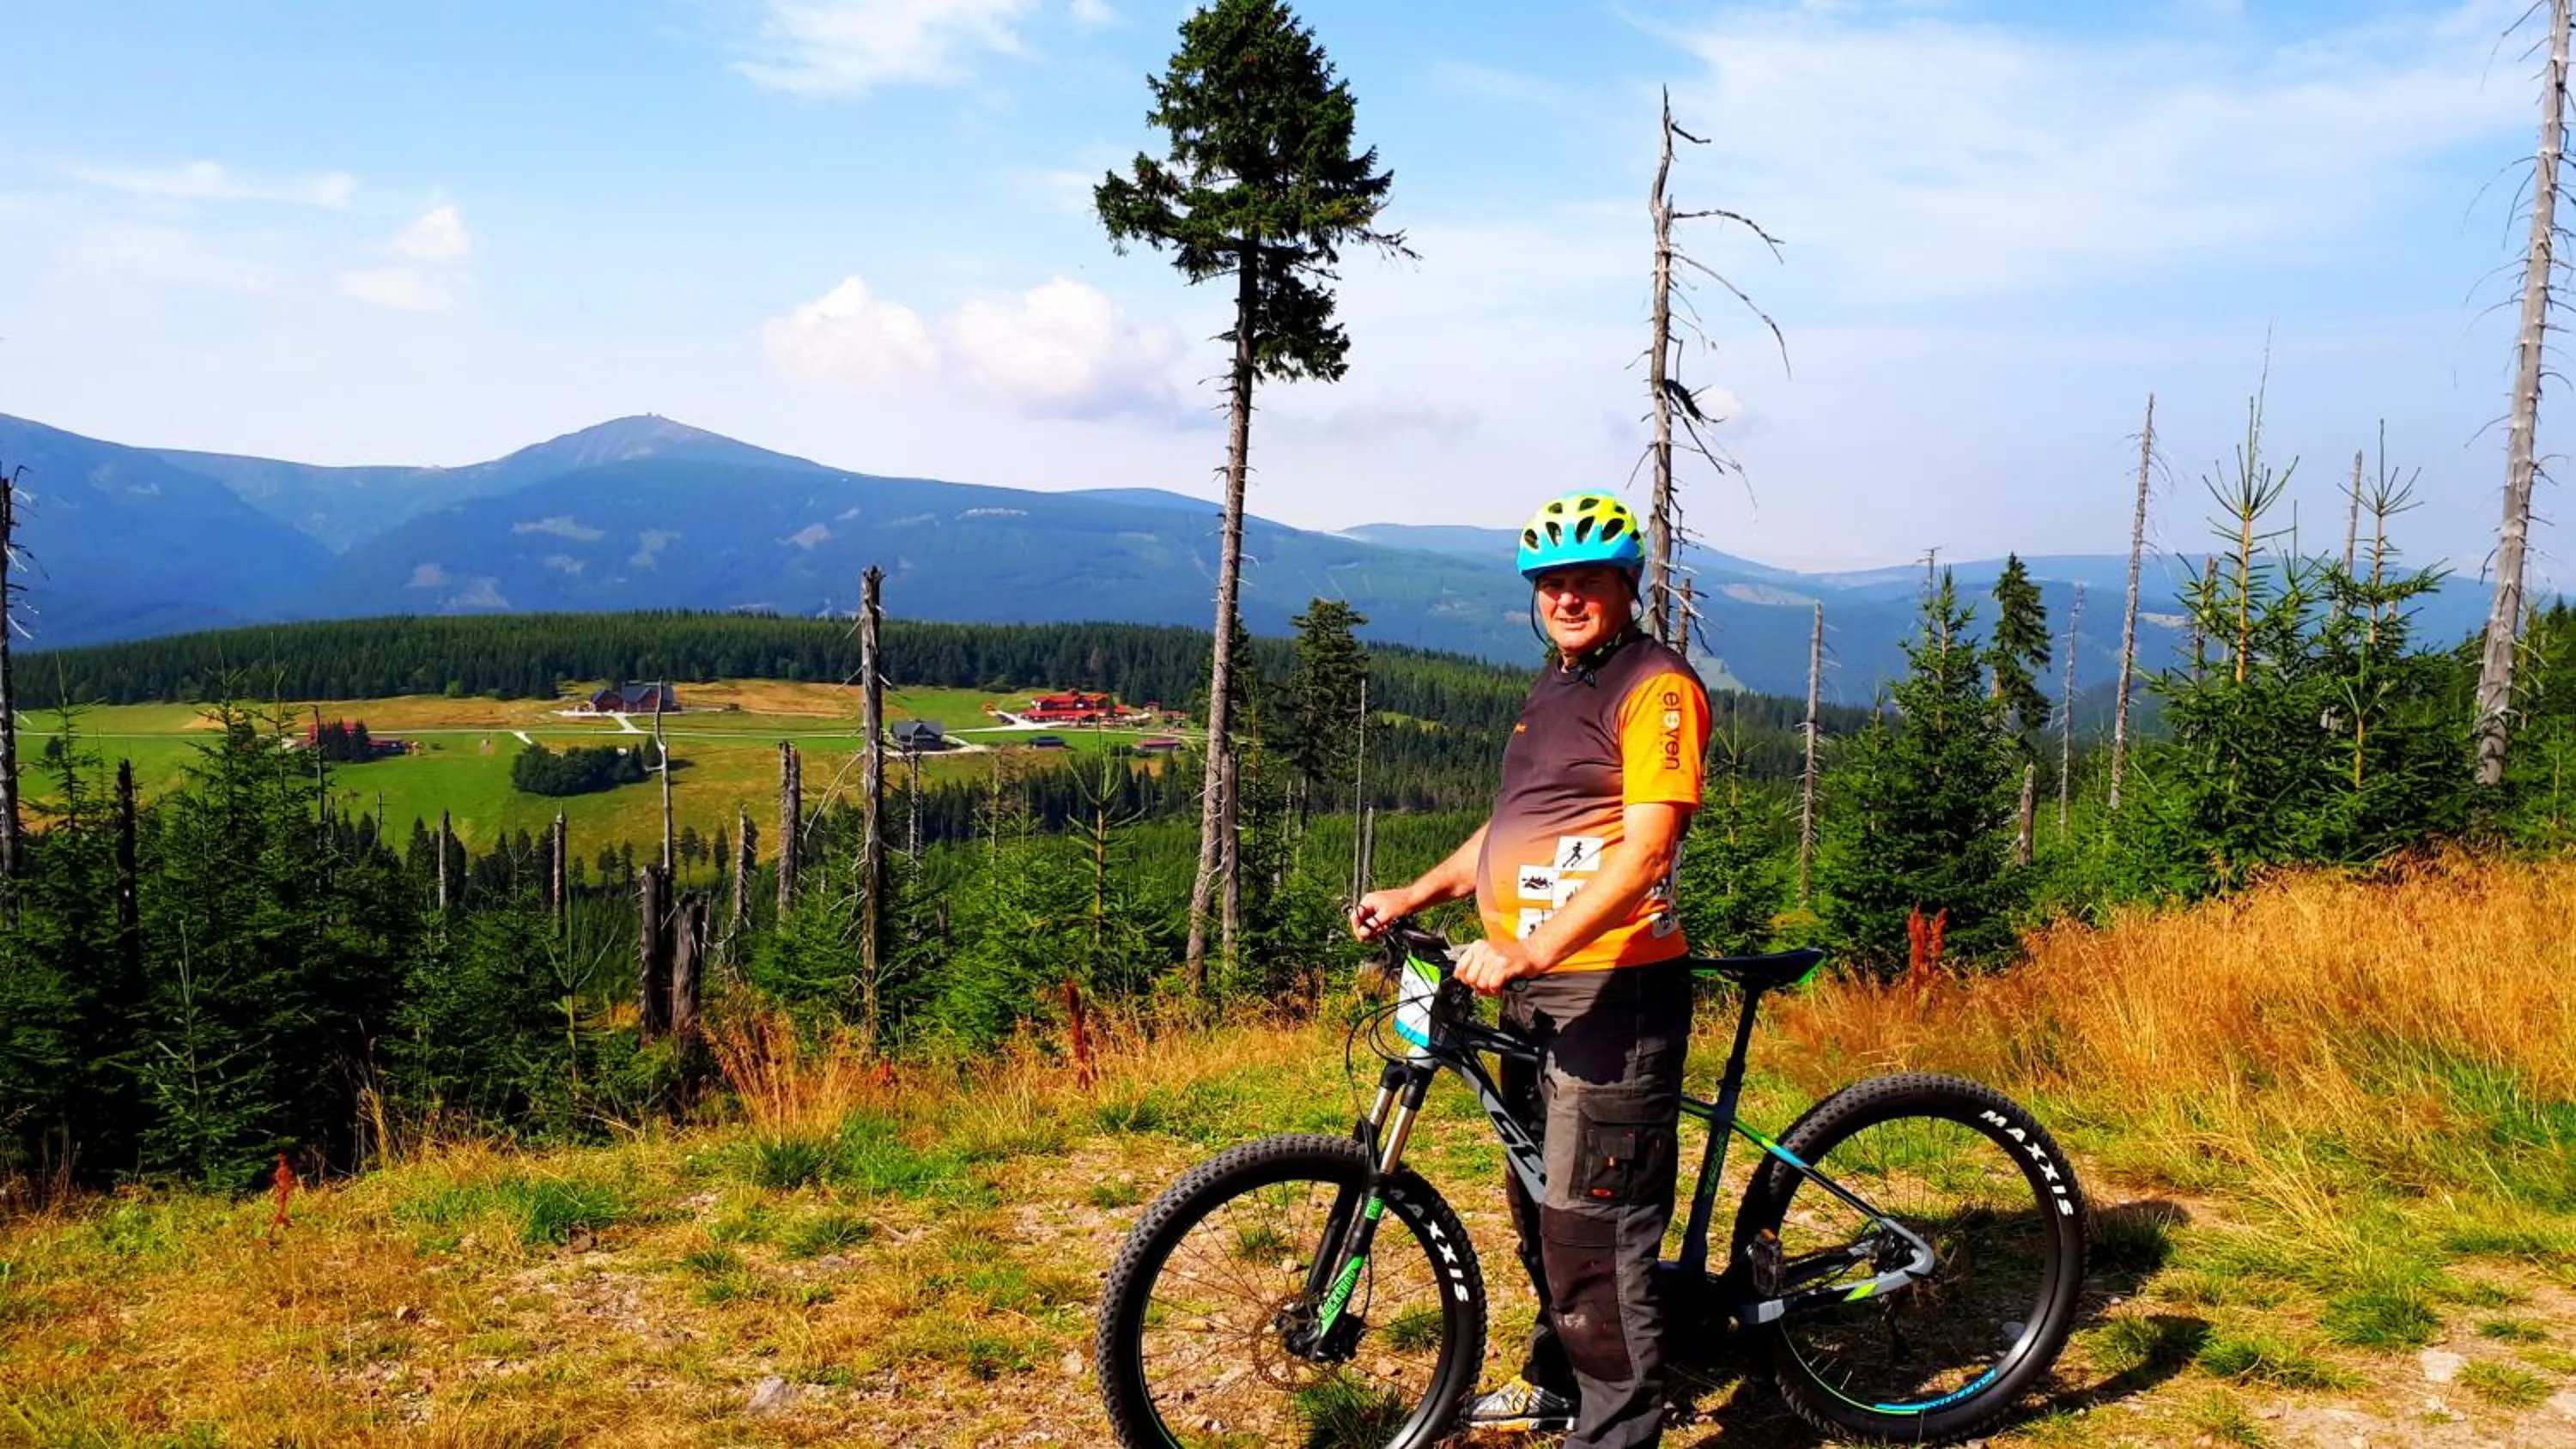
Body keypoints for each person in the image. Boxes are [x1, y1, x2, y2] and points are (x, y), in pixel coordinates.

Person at [1351, 491, 1711, 1449]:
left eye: (1585, 579)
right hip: (1536, 996)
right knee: (1539, 1204)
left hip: (1612, 992)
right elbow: (1510, 834)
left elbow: (1646, 851)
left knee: (1598, 1233)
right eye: (1549, 581)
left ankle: (1617, 1432)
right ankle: (1560, 1380)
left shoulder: (1656, 686)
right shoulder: (1557, 684)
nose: (1565, 595)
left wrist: (1529, 946)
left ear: (1625, 585)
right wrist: (1416, 892)